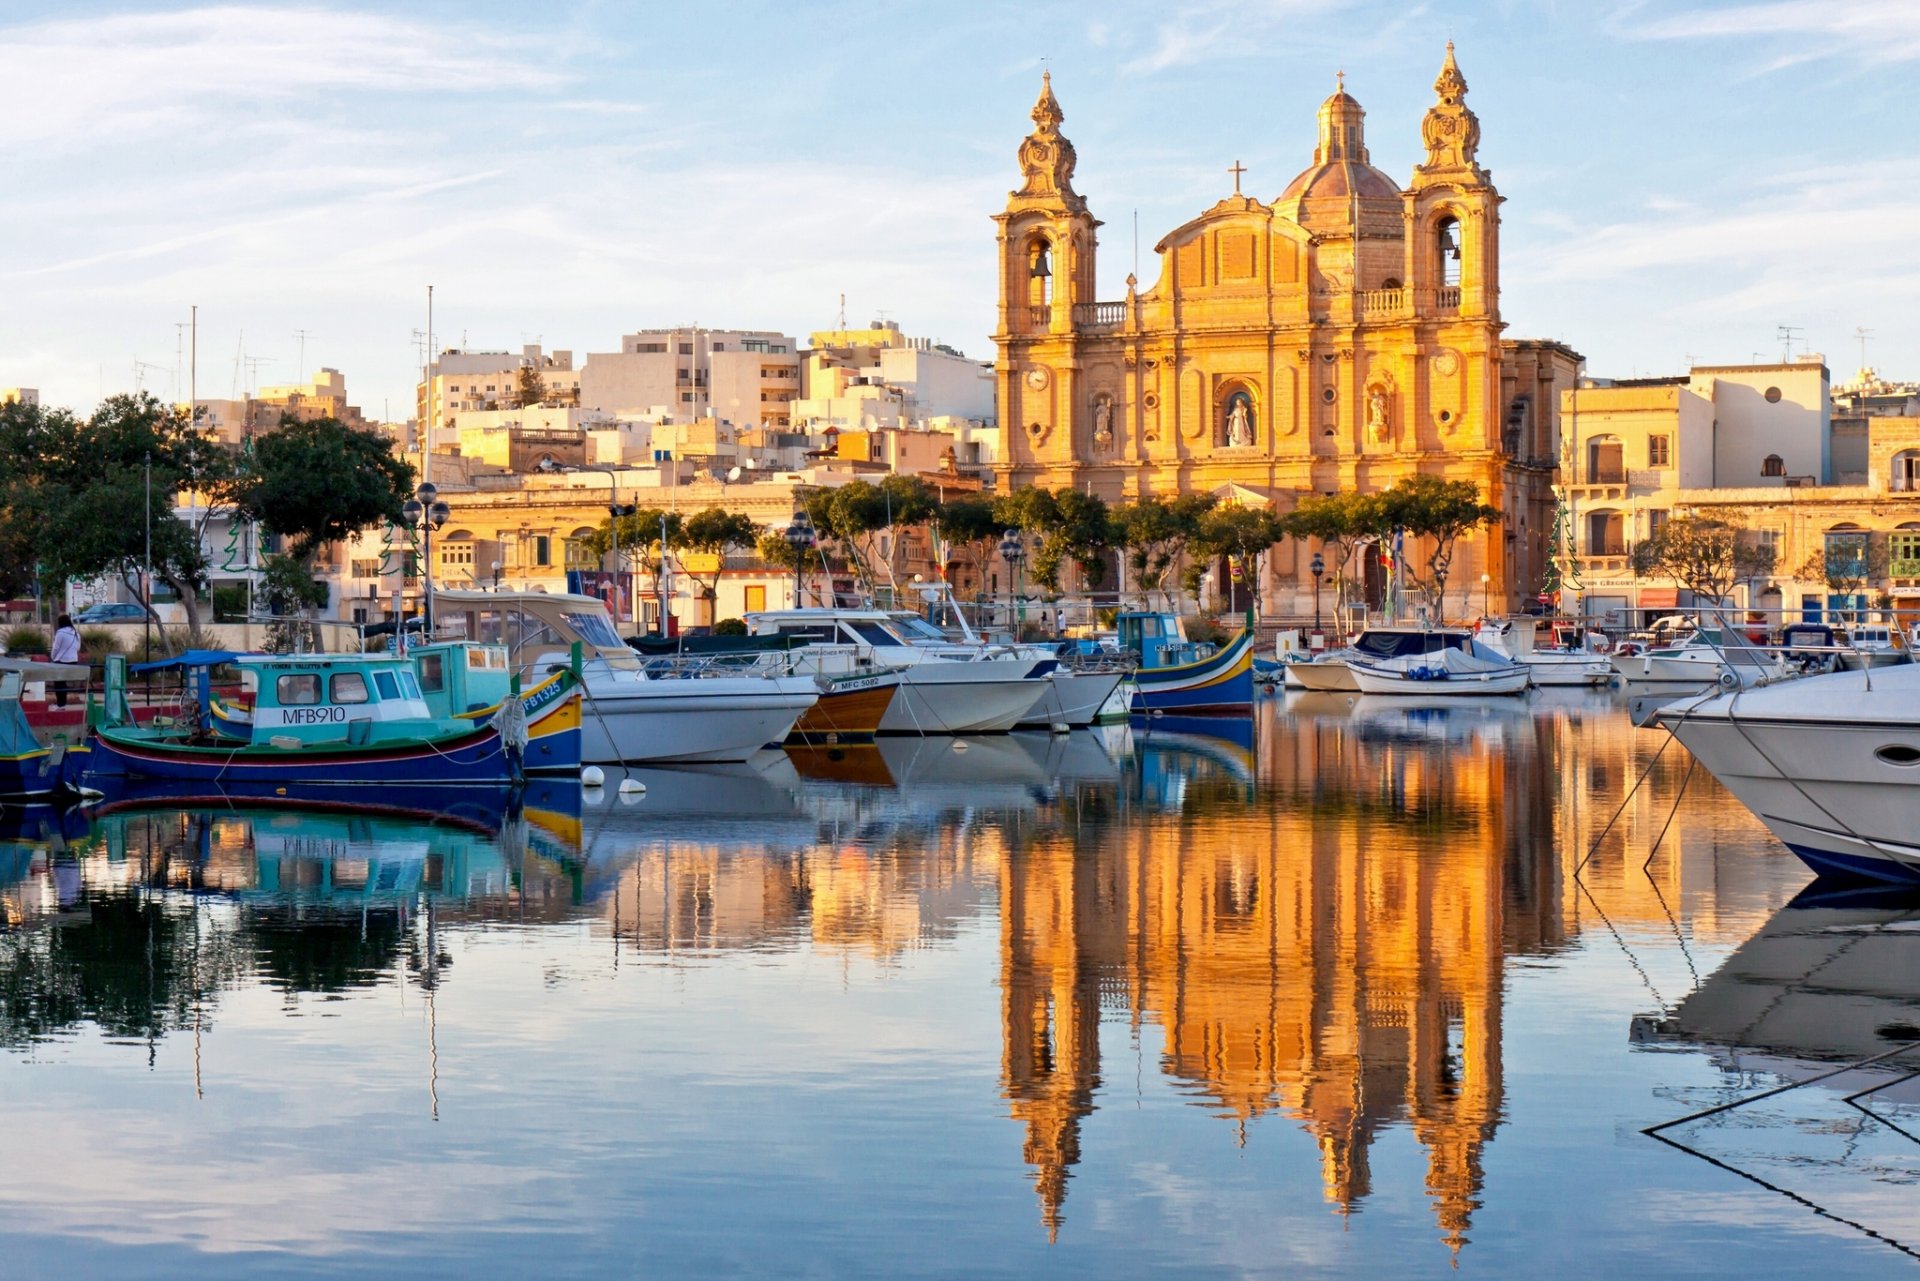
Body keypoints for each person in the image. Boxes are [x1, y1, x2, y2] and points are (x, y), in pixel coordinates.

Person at [49, 614, 80, 708]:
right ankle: (63, 704)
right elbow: (78, 648)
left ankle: (61, 705)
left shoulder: (60, 632)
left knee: (59, 683)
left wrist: (53, 657)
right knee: (63, 683)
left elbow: (56, 648)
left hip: (61, 661)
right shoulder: (76, 633)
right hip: (74, 660)